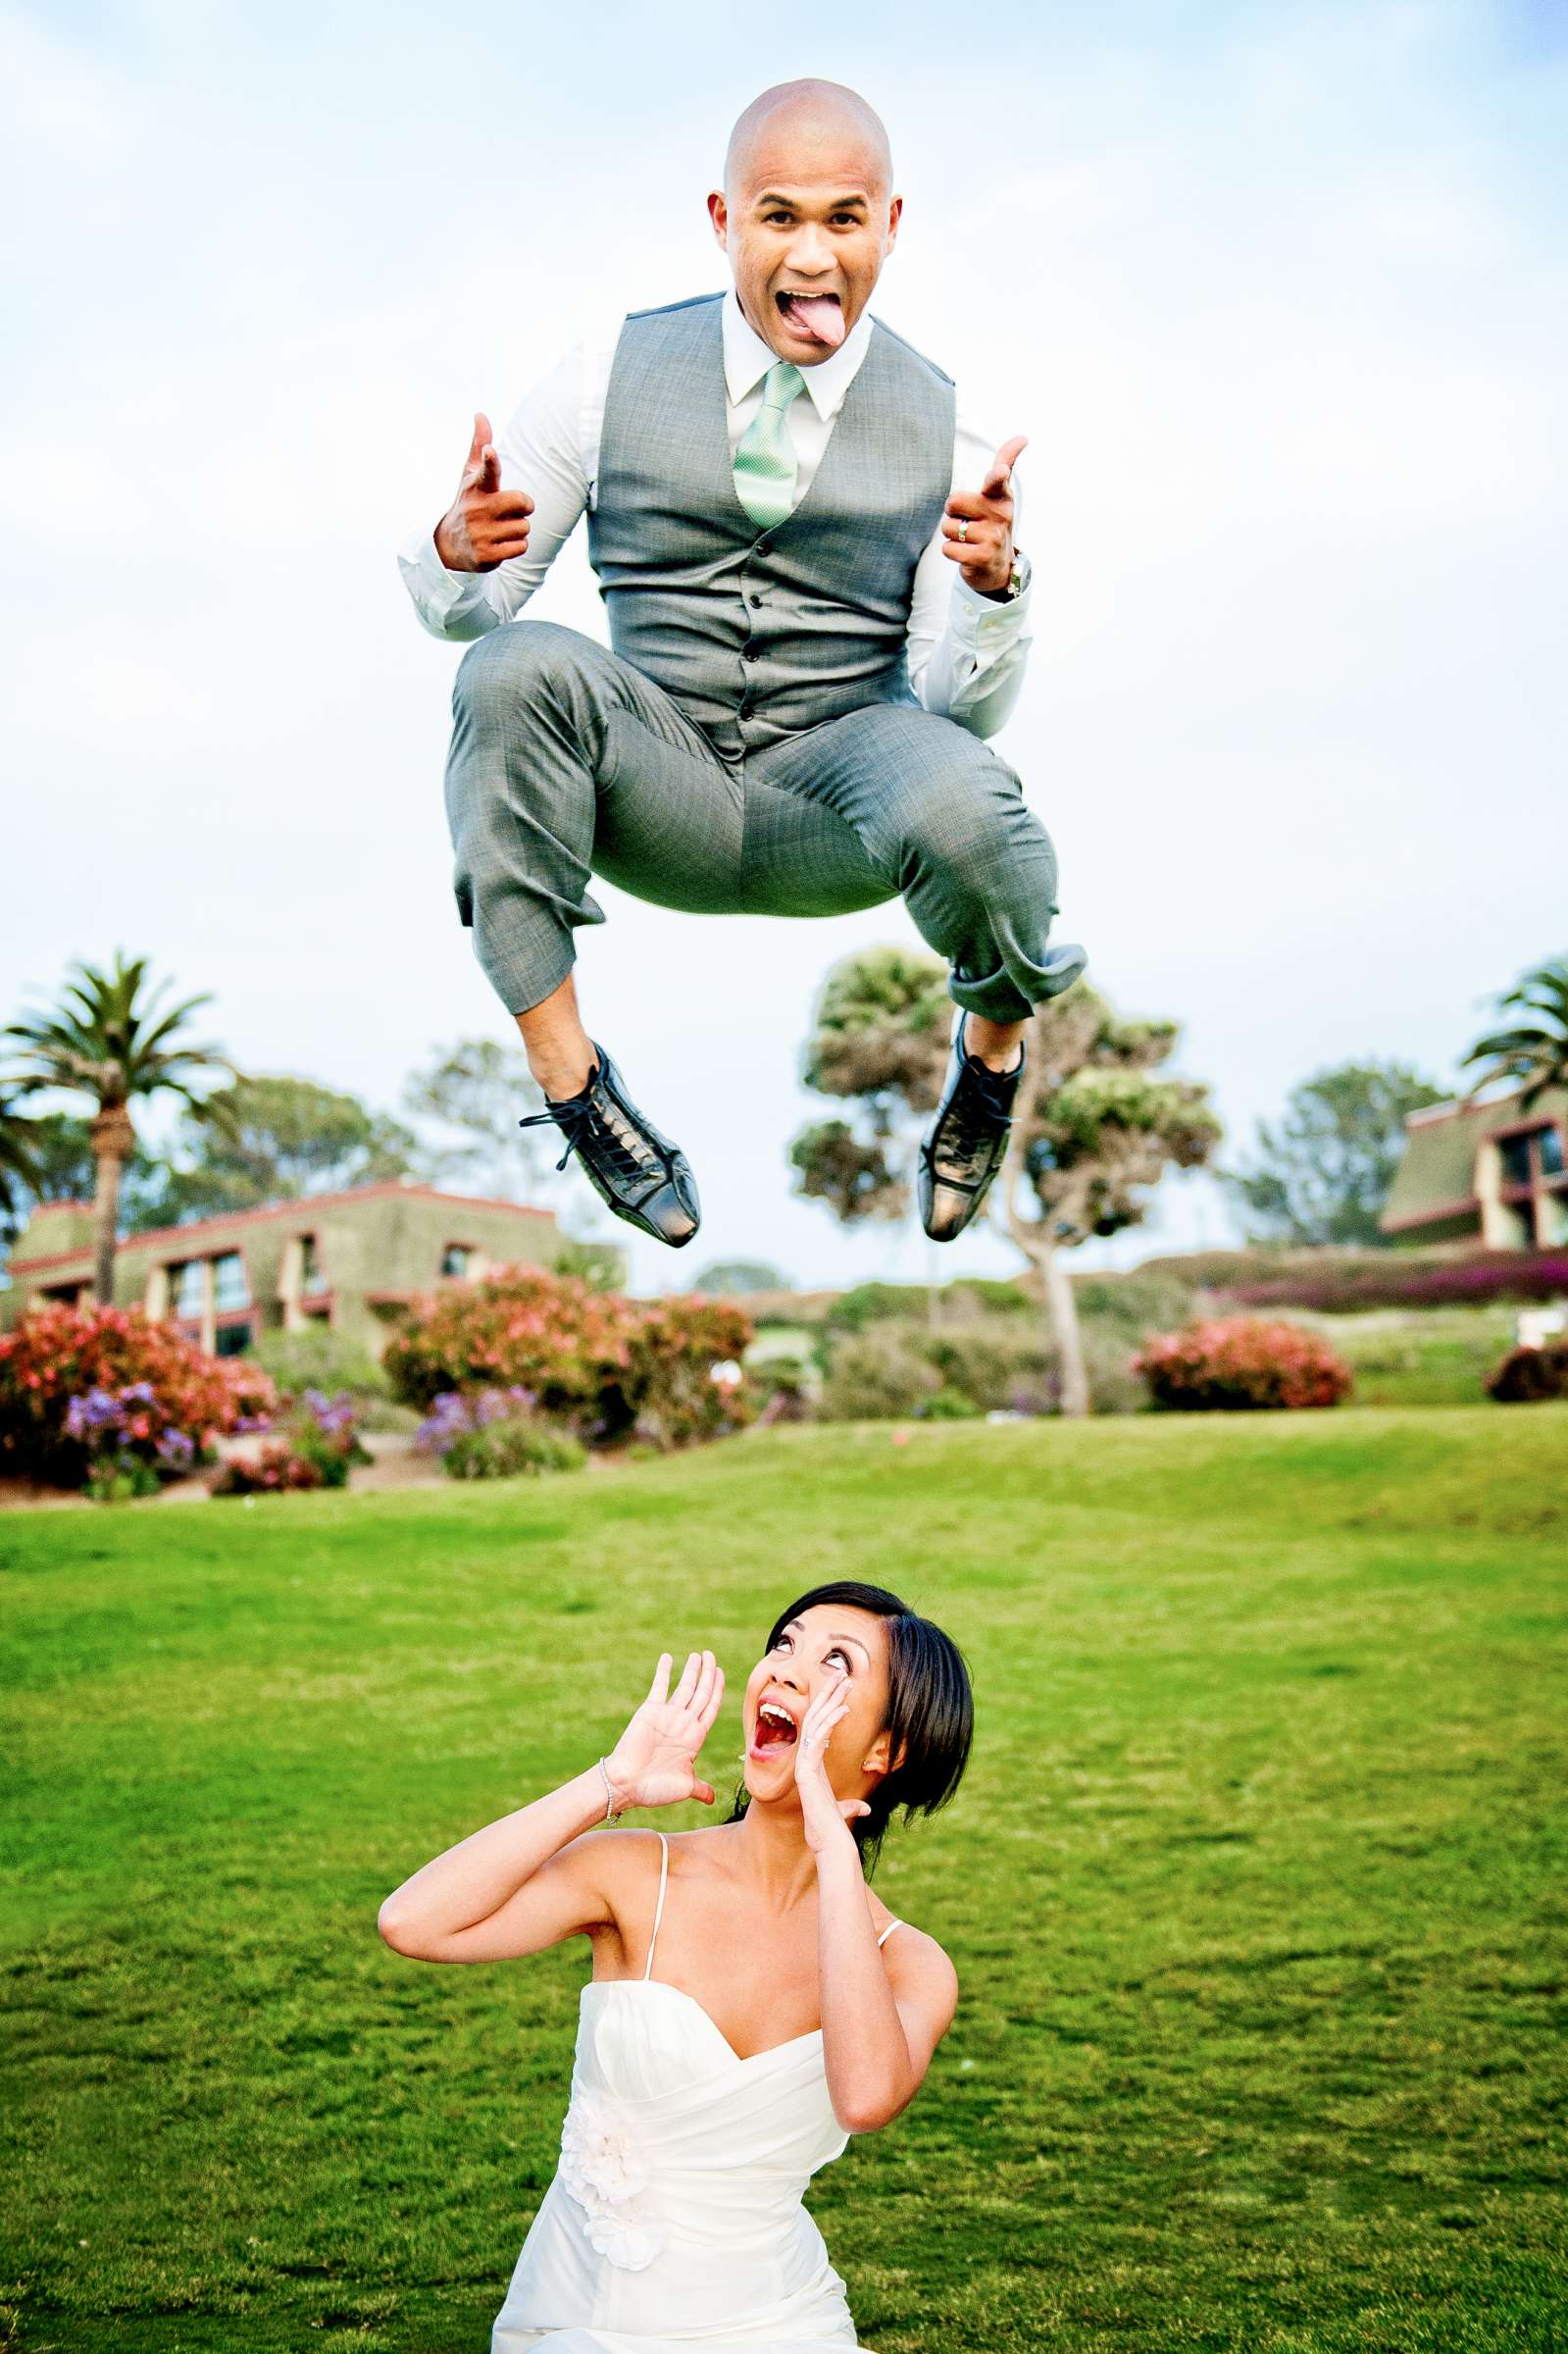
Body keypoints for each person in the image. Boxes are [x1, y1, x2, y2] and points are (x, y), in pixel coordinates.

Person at [398, 77, 1087, 1252]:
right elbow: (473, 612)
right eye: (779, 217)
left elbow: (952, 707)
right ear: (723, 220)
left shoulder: (954, 435)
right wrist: (453, 553)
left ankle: (989, 1065)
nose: (812, 255)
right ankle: (578, 1091)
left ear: (890, 226)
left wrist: (991, 595)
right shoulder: (605, 376)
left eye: (842, 219)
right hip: (653, 780)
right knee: (511, 670)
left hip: (839, 795)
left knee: (976, 798)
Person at [377, 1582, 974, 2351]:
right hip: (586, 2319)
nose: (784, 1670)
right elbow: (413, 1922)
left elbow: (864, 2099)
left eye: (834, 1661)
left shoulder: (911, 1965)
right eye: (784, 1643)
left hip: (781, 2323)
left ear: (886, 1750)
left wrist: (833, 1856)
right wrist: (608, 1788)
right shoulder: (637, 1876)